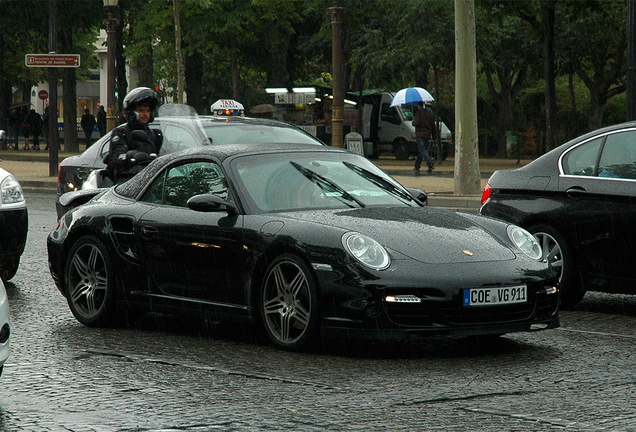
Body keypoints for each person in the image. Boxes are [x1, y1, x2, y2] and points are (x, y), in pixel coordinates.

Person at [106, 87, 163, 184]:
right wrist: (132, 155)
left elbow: (163, 154)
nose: (145, 114)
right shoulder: (121, 133)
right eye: (141, 110)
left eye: (147, 110)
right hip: (128, 181)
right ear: (131, 112)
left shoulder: (155, 135)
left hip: (150, 180)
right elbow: (116, 156)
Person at [411, 101, 437, 174]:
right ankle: (417, 166)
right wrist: (434, 137)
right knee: (421, 151)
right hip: (427, 135)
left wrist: (413, 121)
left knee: (422, 149)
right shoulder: (429, 113)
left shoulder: (418, 113)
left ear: (419, 106)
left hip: (420, 134)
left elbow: (417, 123)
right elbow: (433, 126)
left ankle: (430, 164)